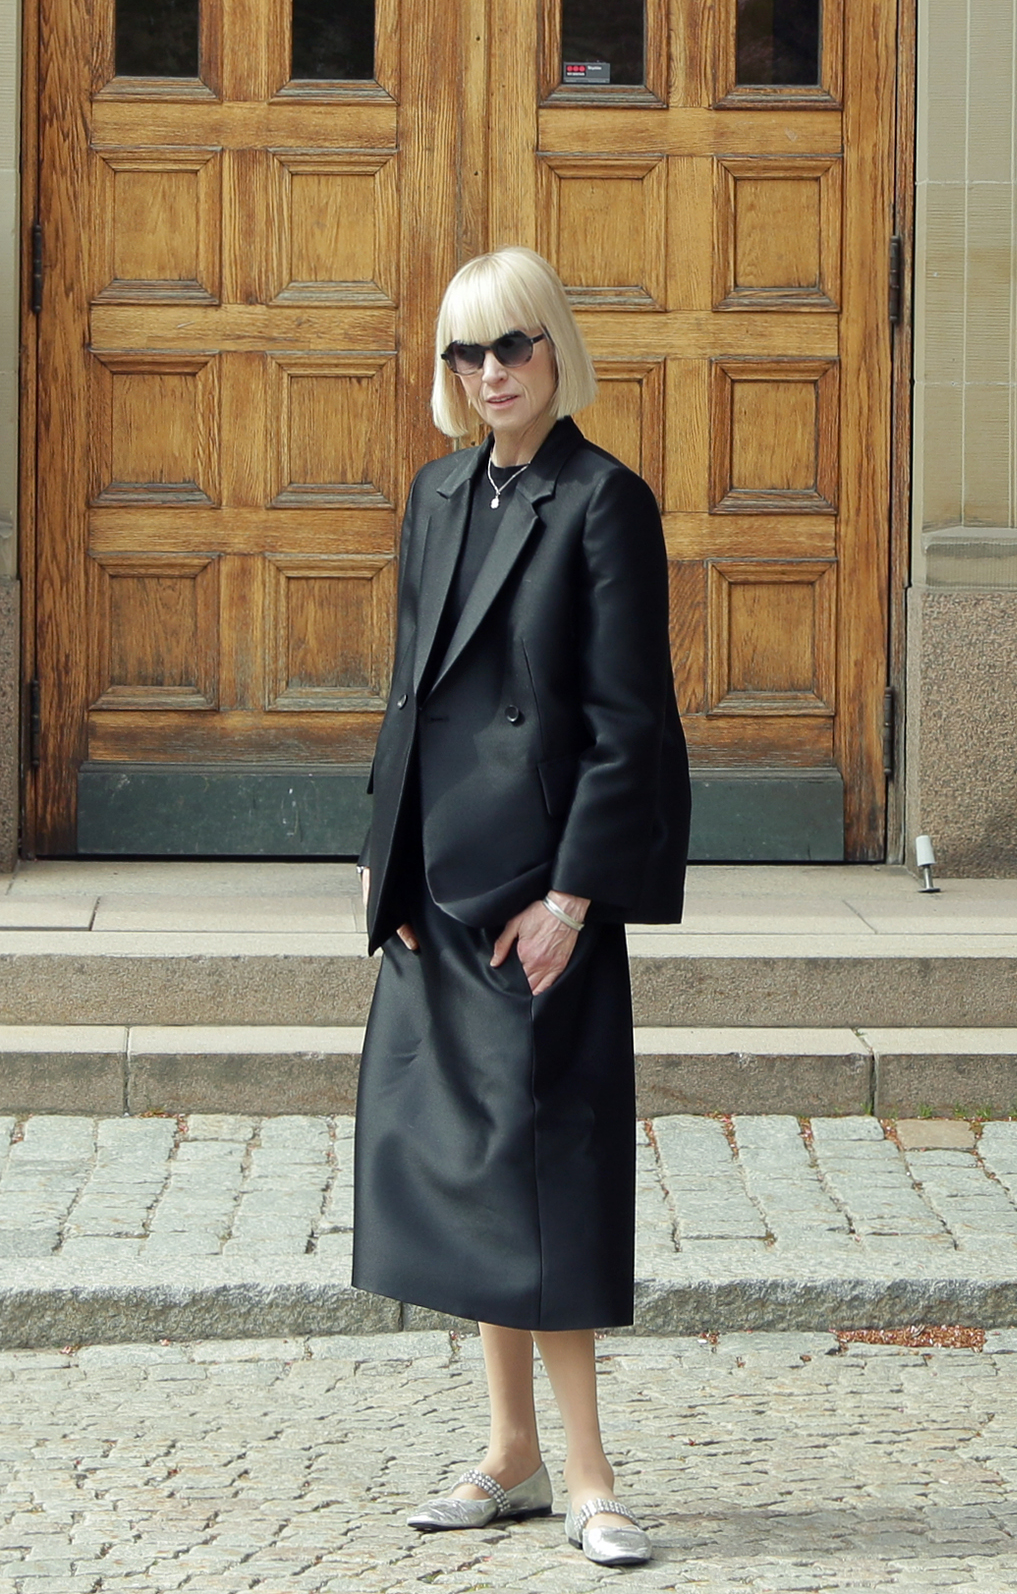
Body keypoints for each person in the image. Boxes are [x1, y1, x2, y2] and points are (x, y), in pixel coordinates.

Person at [353, 246, 690, 1569]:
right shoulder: (437, 495)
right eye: (466, 354)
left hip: (538, 903)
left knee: (550, 1183)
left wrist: (573, 901)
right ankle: (510, 1458)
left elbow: (631, 727)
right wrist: (383, 875)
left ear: (557, 351)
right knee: (476, 1186)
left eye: (513, 347)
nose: (490, 373)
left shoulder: (607, 502)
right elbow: (406, 696)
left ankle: (596, 1478)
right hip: (438, 894)